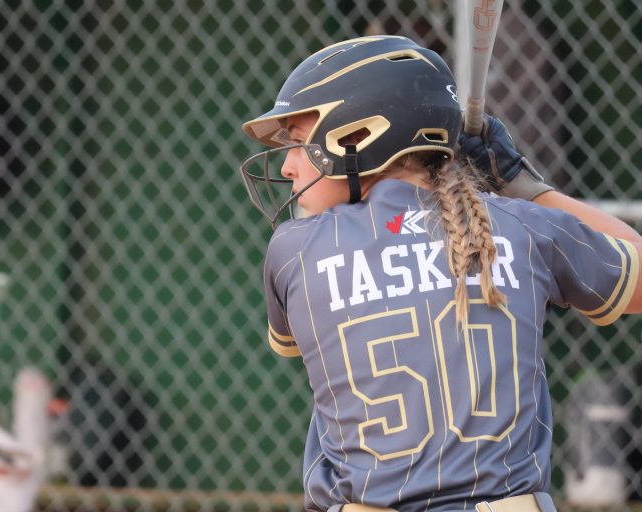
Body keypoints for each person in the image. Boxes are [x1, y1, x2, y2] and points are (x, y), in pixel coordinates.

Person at [238, 35, 642, 512]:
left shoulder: (294, 250)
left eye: (299, 142)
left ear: (357, 136)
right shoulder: (520, 225)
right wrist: (524, 186)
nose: (286, 166)